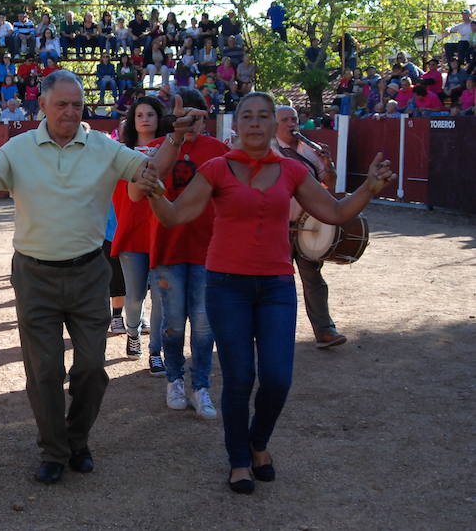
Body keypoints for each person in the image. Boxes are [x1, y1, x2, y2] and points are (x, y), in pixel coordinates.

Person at [137, 91, 396, 494]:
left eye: (263, 116)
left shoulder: (291, 171)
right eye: (248, 117)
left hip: (276, 285)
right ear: (236, 126)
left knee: (277, 379)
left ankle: (259, 444)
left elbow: (336, 212)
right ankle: (239, 459)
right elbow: (174, 215)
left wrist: (369, 188)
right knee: (240, 377)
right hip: (226, 287)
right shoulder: (216, 168)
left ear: (273, 123)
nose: (255, 123)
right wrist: (154, 192)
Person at [0, 70, 155, 484]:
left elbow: (145, 171)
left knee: (92, 369)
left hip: (89, 274)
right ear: (41, 106)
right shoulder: (18, 149)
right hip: (34, 275)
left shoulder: (103, 147)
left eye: (77, 104)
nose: (69, 111)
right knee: (44, 371)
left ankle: (77, 439)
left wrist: (176, 142)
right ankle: (55, 450)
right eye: (61, 104)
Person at [128, 87, 229, 415]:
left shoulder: (219, 151)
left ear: (202, 117)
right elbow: (139, 191)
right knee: (172, 323)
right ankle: (174, 378)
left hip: (208, 250)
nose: (183, 121)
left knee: (203, 324)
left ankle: (200, 386)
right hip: (168, 249)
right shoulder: (157, 148)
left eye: (189, 115)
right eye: (177, 115)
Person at [274, 106, 346, 348]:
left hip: (307, 226)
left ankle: (325, 331)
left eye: (293, 119)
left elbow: (329, 185)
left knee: (314, 279)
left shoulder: (310, 151)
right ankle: (273, 333)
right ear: (274, 124)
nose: (291, 123)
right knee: (276, 283)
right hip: (277, 226)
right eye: (284, 119)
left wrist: (330, 166)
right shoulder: (269, 150)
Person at [110, 96, 167, 368]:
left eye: (150, 114)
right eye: (139, 114)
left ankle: (156, 351)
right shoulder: (121, 152)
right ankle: (133, 332)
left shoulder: (171, 149)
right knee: (134, 296)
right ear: (132, 121)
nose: (145, 119)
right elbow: (118, 194)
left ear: (159, 119)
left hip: (163, 232)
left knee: (161, 297)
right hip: (133, 231)